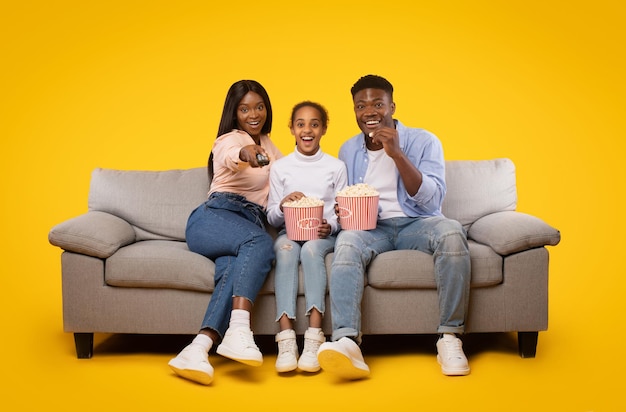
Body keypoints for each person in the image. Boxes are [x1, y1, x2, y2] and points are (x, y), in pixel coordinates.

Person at [316, 74, 472, 379]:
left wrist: (396, 154)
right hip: (373, 228)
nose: (369, 111)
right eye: (361, 106)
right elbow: (346, 196)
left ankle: (450, 338)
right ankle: (348, 341)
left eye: (377, 104)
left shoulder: (424, 140)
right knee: (346, 243)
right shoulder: (348, 150)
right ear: (355, 112)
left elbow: (431, 201)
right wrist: (342, 209)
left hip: (419, 223)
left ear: (392, 106)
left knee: (452, 232)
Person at [168, 79, 283, 385]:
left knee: (233, 271)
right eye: (244, 109)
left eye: (259, 106)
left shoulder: (272, 145)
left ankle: (198, 348)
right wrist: (249, 153)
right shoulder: (229, 140)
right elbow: (235, 154)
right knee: (259, 242)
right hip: (214, 218)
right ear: (235, 114)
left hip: (244, 227)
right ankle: (239, 329)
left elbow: (286, 177)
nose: (253, 114)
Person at [266, 101, 347, 373]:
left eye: (314, 124)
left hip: (320, 236)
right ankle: (286, 339)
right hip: (288, 232)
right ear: (291, 129)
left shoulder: (335, 167)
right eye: (300, 124)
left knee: (312, 249)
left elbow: (343, 210)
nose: (307, 130)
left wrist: (332, 226)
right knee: (287, 249)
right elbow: (272, 218)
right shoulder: (280, 168)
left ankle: (314, 337)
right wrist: (282, 204)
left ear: (323, 129)